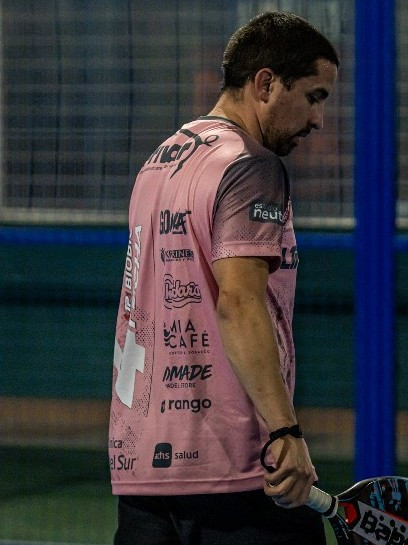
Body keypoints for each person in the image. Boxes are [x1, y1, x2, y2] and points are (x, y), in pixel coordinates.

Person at [109, 11, 339, 545]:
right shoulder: (251, 165)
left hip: (141, 466)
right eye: (313, 96)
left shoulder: (159, 162)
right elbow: (238, 302)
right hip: (233, 470)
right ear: (265, 83)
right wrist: (284, 429)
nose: (319, 119)